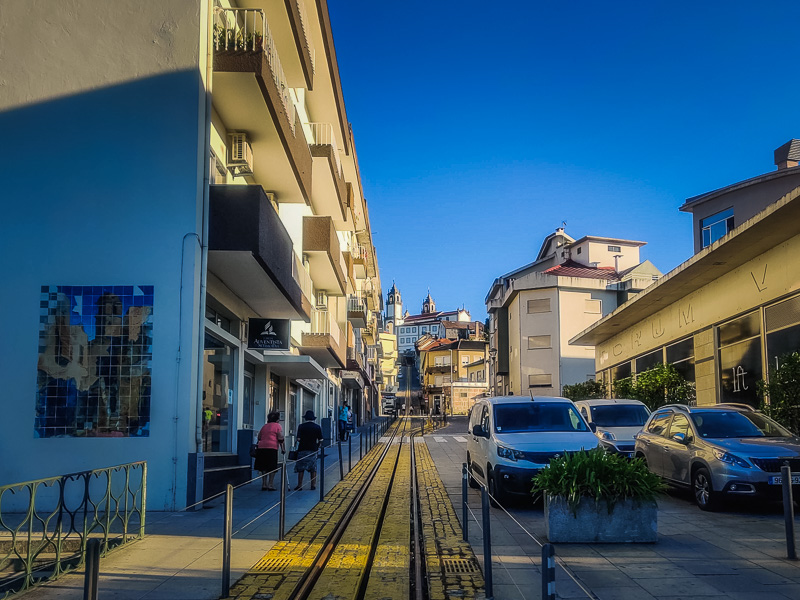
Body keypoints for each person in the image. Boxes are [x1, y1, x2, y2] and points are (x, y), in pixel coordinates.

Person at [255, 411, 284, 490]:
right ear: (277, 419)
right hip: (272, 448)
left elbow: (259, 437)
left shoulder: (264, 426)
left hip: (262, 448)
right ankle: (270, 484)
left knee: (263, 466)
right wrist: (283, 449)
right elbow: (280, 438)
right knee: (272, 467)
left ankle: (264, 484)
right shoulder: (278, 426)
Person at [294, 410, 323, 490]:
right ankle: (313, 485)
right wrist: (317, 447)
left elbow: (298, 439)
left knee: (301, 468)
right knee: (313, 468)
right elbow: (320, 439)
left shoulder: (301, 426)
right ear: (313, 418)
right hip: (313, 449)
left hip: (302, 449)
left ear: (305, 418)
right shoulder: (317, 427)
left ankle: (300, 485)